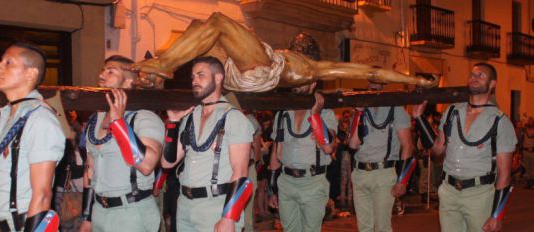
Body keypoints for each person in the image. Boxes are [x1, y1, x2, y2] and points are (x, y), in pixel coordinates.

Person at [131, 13, 438, 92]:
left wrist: (416, 81)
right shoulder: (302, 65)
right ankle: (157, 74)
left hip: (259, 72)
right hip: (241, 74)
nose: (299, 42)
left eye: (301, 42)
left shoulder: (314, 67)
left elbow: (369, 71)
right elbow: (369, 73)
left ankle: (161, 66)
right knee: (201, 26)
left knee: (218, 22)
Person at [0, 41, 64, 231]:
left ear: (31, 73)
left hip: (22, 226)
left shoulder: (40, 119)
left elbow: (42, 195)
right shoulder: (2, 117)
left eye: (8, 62)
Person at [413, 63, 517, 232]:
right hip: (449, 192)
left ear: (492, 84)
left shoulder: (501, 122)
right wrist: (419, 119)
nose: (474, 77)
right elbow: (437, 149)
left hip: (480, 195)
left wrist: (497, 215)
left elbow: (504, 174)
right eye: (472, 74)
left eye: (481, 75)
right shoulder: (452, 112)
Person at [162, 56, 255, 232]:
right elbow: (168, 162)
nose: (195, 81)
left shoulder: (234, 118)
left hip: (216, 206)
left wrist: (229, 217)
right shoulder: (190, 116)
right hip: (184, 205)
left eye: (201, 75)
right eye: (192, 77)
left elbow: (241, 172)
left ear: (218, 78)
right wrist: (173, 125)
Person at [78, 55, 164, 232]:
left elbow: (147, 165)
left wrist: (119, 124)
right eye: (103, 70)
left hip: (132, 213)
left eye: (111, 71)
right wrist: (87, 216)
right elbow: (90, 169)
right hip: (99, 211)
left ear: (128, 83)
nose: (102, 75)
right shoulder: (96, 119)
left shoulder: (145, 117)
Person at [266, 82, 338, 232]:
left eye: (301, 80)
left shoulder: (325, 113)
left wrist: (315, 115)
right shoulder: (282, 114)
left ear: (312, 84)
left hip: (313, 182)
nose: (296, 82)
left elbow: (328, 147)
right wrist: (272, 190)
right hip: (286, 182)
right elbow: (275, 153)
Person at [347, 81, 415, 232]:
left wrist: (402, 181)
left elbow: (407, 145)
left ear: (383, 84)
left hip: (383, 173)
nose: (374, 85)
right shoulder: (360, 107)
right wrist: (358, 113)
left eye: (378, 82)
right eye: (371, 81)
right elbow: (353, 144)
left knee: (382, 227)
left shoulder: (395, 108)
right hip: (360, 173)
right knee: (364, 227)